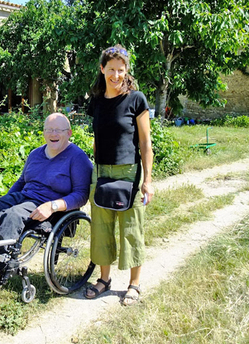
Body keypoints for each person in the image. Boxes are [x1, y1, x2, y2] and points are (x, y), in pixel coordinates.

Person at [0, 113, 93, 291]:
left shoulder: (77, 158)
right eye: (49, 130)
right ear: (44, 132)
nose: (53, 134)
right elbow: (21, 182)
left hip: (52, 206)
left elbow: (82, 194)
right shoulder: (36, 154)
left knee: (14, 215)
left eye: (59, 130)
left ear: (69, 133)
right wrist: (5, 201)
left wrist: (53, 206)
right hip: (26, 197)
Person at [84, 45, 154, 306]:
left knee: (131, 228)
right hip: (101, 171)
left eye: (120, 70)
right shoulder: (97, 102)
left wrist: (147, 181)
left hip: (129, 172)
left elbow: (146, 144)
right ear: (102, 69)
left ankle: (134, 284)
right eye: (111, 69)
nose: (115, 75)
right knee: (101, 228)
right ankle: (104, 280)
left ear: (127, 72)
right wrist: (94, 170)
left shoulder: (136, 100)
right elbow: (97, 139)